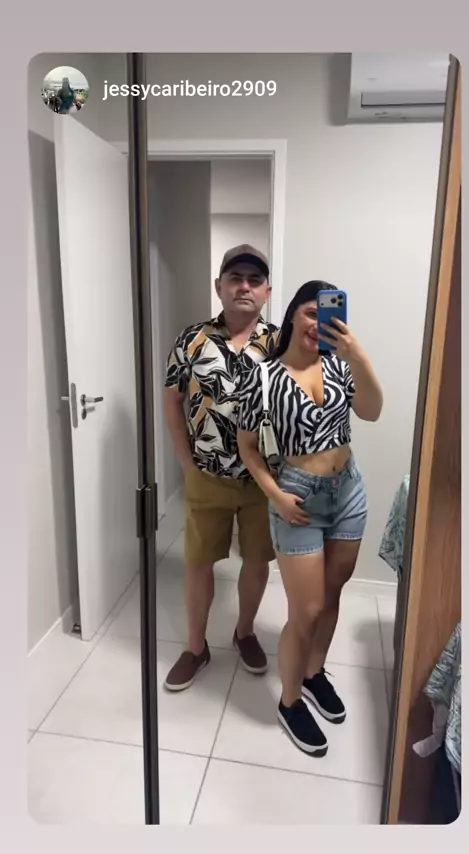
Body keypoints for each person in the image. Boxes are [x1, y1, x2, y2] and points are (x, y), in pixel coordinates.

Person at [237, 280, 383, 757]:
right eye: (309, 312)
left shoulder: (340, 365)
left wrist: (358, 355)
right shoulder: (263, 377)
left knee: (333, 593)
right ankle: (290, 700)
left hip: (349, 491)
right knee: (307, 610)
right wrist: (276, 496)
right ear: (292, 316)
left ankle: (313, 672)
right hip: (297, 498)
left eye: (326, 315)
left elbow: (372, 411)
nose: (317, 323)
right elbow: (248, 447)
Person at [163, 245, 279, 692]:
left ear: (267, 291)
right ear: (220, 287)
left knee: (256, 561)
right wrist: (185, 462)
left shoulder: (280, 343)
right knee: (198, 563)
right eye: (235, 278)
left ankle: (244, 632)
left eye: (254, 279)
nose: (244, 286)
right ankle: (196, 648)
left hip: (261, 481)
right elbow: (172, 401)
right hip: (206, 475)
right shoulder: (191, 340)